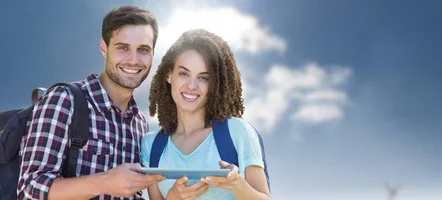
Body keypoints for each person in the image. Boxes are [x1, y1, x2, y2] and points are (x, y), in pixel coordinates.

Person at [17, 5, 165, 200]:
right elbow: (30, 188)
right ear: (104, 48)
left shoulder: (139, 122)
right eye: (123, 48)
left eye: (143, 50)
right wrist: (104, 182)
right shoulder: (64, 100)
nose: (134, 60)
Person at [141, 29, 271, 200]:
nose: (192, 85)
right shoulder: (151, 145)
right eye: (183, 73)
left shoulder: (237, 132)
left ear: (215, 84)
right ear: (169, 75)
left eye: (203, 77)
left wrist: (236, 184)